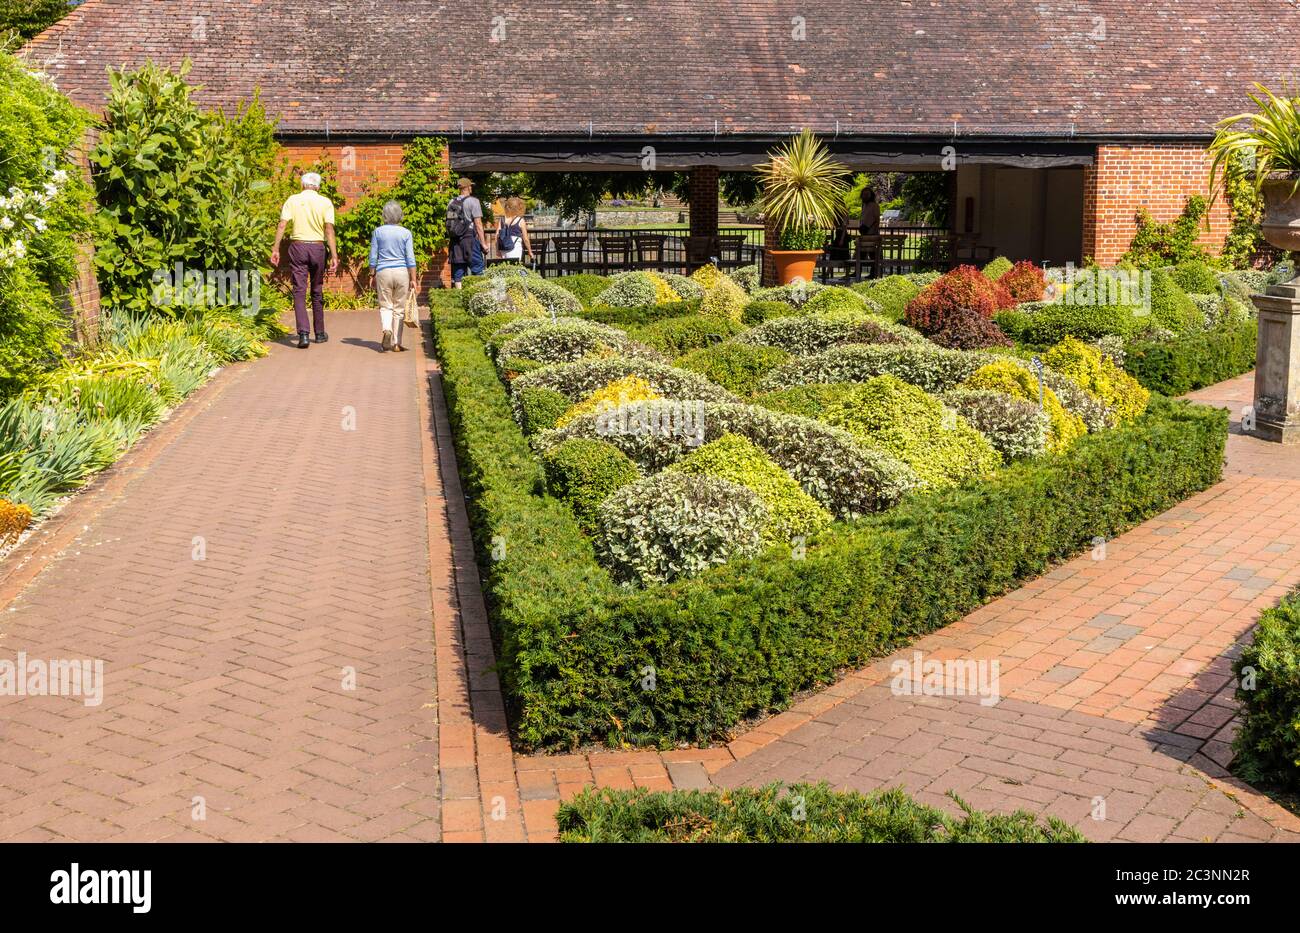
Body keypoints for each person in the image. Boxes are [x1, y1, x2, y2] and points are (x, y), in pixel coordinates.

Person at [271, 172, 338, 349]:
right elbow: (329, 229)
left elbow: (282, 225)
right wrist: (334, 255)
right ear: (318, 186)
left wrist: (276, 248)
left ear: (302, 185)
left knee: (299, 291)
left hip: (298, 247)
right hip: (317, 247)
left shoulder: (293, 200)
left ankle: (303, 335)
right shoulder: (325, 202)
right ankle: (320, 333)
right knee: (317, 289)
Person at [368, 200, 419, 353]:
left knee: (385, 306)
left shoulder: (378, 232)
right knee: (399, 309)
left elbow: (373, 256)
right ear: (400, 215)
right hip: (402, 271)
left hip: (383, 271)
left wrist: (372, 274)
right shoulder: (406, 233)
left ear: (384, 215)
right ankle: (396, 343)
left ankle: (386, 329)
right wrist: (414, 279)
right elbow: (410, 258)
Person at [448, 177, 488, 287]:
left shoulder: (451, 202)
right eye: (471, 186)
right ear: (468, 187)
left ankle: (459, 298)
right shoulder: (473, 201)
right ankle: (478, 295)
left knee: (458, 272)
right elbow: (478, 224)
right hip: (469, 240)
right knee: (478, 269)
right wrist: (483, 243)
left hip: (455, 241)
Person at [495, 196, 533, 263]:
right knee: (515, 269)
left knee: (505, 270)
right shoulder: (520, 220)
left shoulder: (502, 219)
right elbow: (526, 239)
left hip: (503, 247)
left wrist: (497, 251)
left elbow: (497, 236)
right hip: (515, 247)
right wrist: (530, 252)